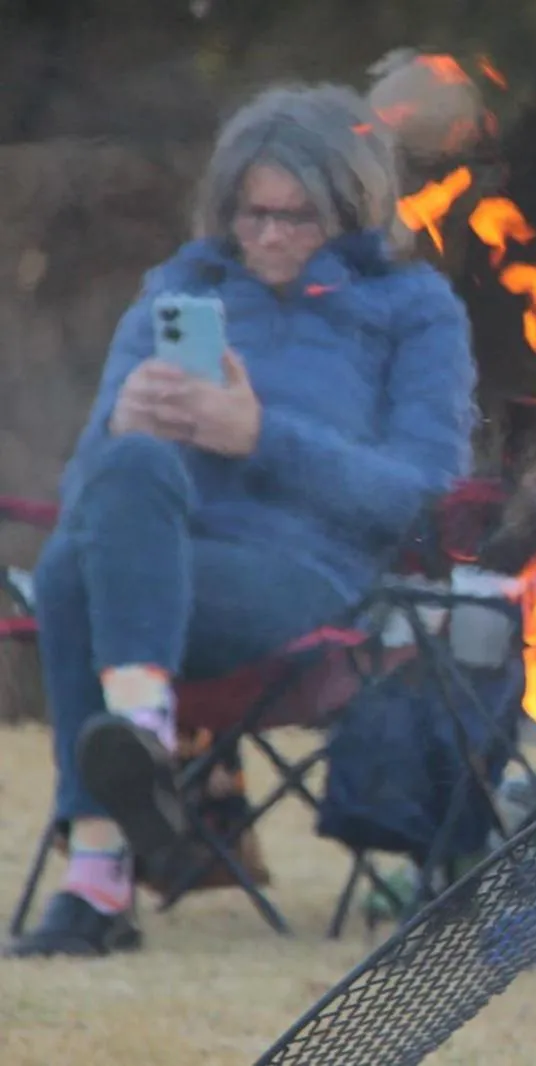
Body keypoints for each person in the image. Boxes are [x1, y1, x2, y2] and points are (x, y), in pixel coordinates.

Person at [8, 84, 478, 958]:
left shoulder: (412, 310)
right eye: (252, 215)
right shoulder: (177, 289)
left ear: (350, 210)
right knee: (121, 480)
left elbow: (419, 496)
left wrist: (260, 437)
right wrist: (126, 425)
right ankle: (141, 732)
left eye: (296, 218)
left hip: (296, 576)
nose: (268, 236)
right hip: (146, 565)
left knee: (75, 576)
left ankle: (98, 880)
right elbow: (88, 489)